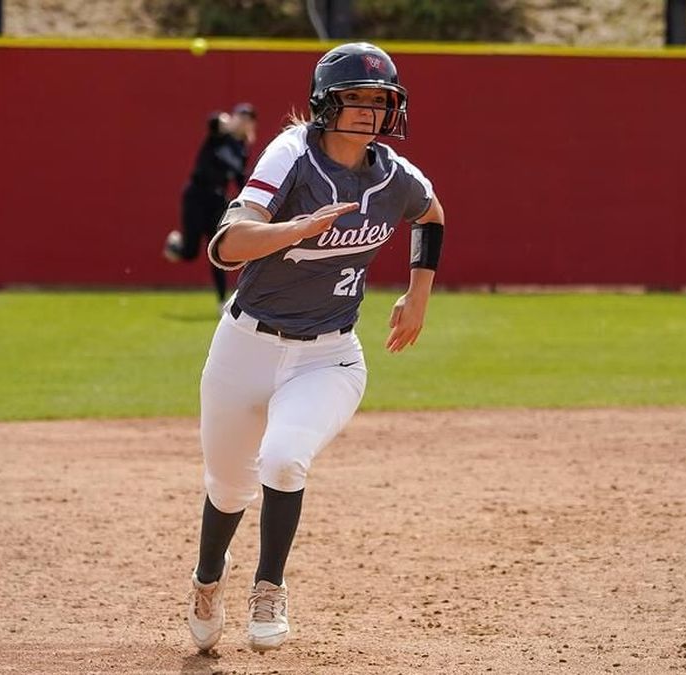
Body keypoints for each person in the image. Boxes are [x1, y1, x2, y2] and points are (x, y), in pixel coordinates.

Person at [184, 42, 444, 653]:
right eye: (353, 97)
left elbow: (431, 217)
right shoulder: (291, 154)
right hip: (244, 346)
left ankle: (269, 588)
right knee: (227, 486)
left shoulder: (394, 175)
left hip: (329, 354)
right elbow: (226, 245)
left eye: (379, 100)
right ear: (326, 102)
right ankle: (206, 580)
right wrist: (293, 230)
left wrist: (418, 295)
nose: (367, 110)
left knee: (283, 459)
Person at [163, 103, 258, 309]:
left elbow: (240, 178)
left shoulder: (241, 148)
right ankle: (175, 244)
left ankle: (222, 301)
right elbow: (213, 120)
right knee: (190, 252)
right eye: (241, 116)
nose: (243, 121)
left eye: (248, 118)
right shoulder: (220, 135)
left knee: (217, 249)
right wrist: (225, 123)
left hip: (217, 200)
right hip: (197, 194)